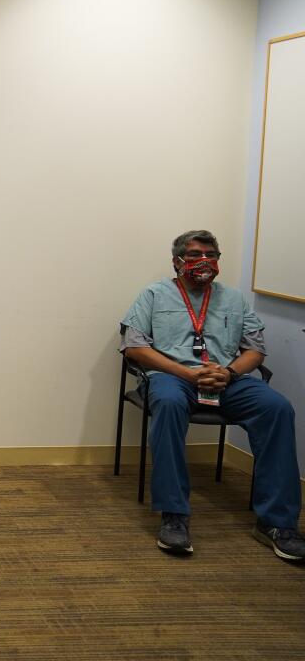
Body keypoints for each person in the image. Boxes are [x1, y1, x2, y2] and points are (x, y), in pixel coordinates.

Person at [121, 230, 303, 561]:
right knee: (170, 402)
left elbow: (256, 350)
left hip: (225, 379)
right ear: (177, 261)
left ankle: (277, 523)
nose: (204, 261)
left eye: (212, 255)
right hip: (173, 377)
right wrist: (186, 372)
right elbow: (134, 347)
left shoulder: (233, 299)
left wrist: (230, 372)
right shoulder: (154, 294)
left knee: (277, 408)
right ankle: (174, 515)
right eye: (194, 255)